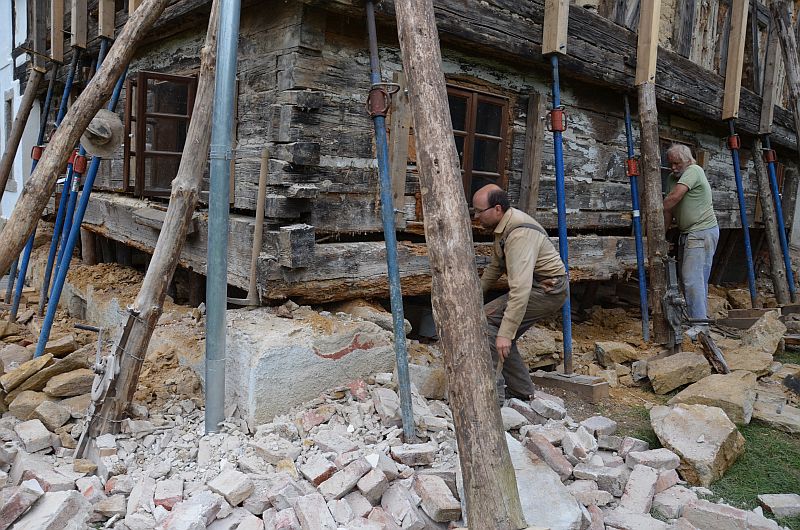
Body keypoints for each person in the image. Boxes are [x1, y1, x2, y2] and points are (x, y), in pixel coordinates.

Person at [472, 184, 567, 403]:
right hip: (538, 286)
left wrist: (506, 332)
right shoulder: (504, 226)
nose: (476, 216)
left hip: (548, 289)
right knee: (494, 327)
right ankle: (522, 390)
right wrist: (474, 296)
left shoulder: (518, 235)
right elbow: (495, 268)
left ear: (497, 209)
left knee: (487, 325)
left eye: (479, 211)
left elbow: (520, 289)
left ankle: (491, 395)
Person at [662, 144, 719, 336]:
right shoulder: (672, 178)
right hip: (689, 232)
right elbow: (669, 209)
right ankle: (699, 321)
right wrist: (661, 233)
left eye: (677, 163)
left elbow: (675, 197)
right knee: (693, 278)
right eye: (671, 164)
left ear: (688, 160)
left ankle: (700, 324)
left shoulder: (694, 170)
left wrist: (652, 209)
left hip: (701, 231)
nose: (673, 168)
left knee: (692, 278)